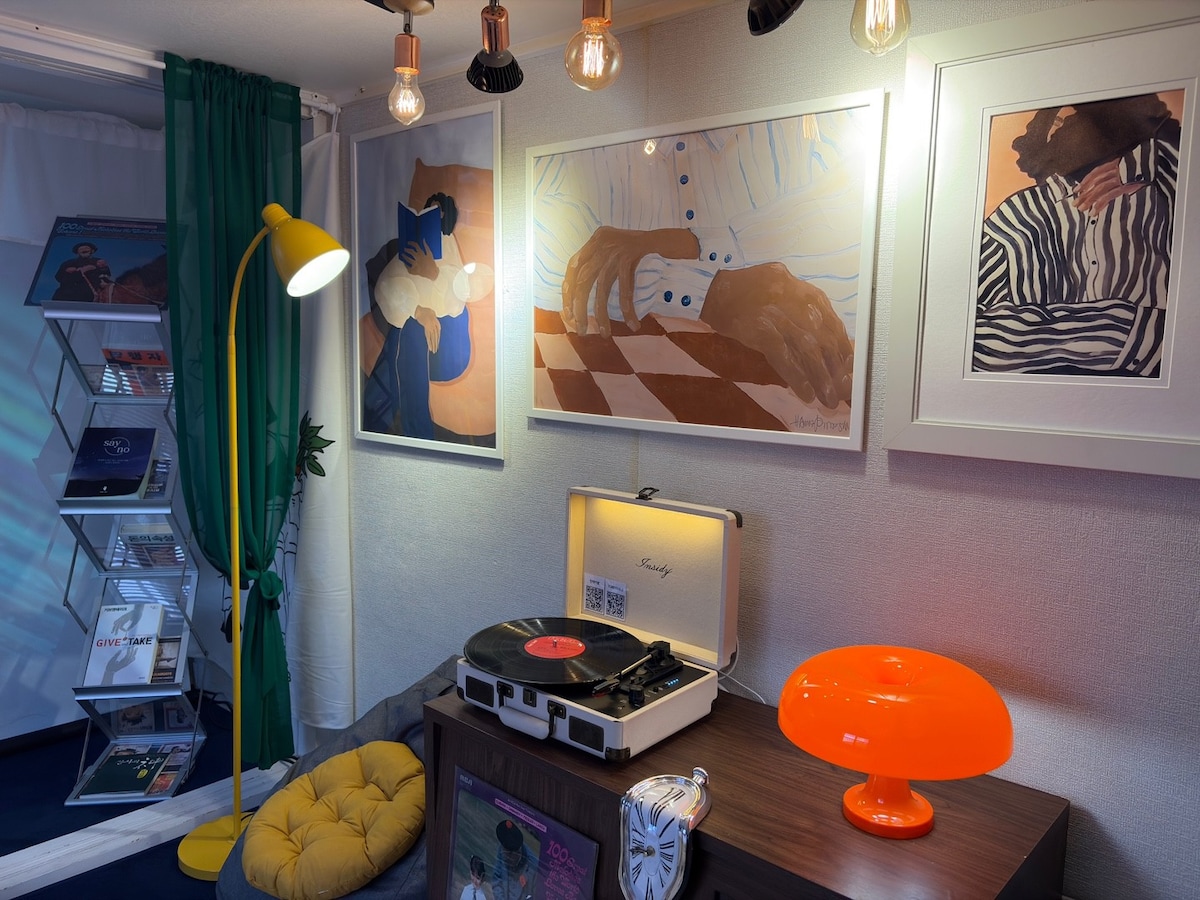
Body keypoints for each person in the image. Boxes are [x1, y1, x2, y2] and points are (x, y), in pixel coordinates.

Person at [535, 108, 872, 412]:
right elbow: (542, 251)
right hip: (633, 410)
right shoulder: (577, 147)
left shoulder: (814, 123)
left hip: (813, 417)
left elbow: (860, 223)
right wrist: (710, 291)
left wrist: (692, 245)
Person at [974, 93, 1178, 376]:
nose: (1063, 129)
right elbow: (967, 333)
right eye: (1055, 121)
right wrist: (1121, 331)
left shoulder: (1168, 188)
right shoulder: (1017, 217)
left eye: (1075, 119)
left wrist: (1142, 167)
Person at [362, 191, 494, 438]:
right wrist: (418, 311)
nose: (437, 216)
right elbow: (385, 286)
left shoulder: (449, 245)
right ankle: (406, 430)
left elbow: (458, 300)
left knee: (405, 336)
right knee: (409, 331)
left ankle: (389, 422)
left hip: (448, 350)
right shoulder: (411, 250)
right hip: (416, 348)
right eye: (431, 211)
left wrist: (432, 272)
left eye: (439, 212)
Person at [491, 819, 537, 900]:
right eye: (503, 851)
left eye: (508, 855)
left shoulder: (534, 868)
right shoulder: (503, 850)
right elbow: (497, 879)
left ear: (518, 852)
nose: (505, 857)